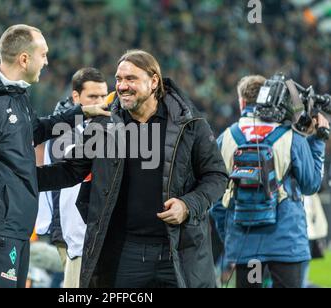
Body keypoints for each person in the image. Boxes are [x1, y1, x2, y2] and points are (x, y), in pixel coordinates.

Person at [0, 24, 109, 288]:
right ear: (24, 58)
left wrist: (82, 112)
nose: (47, 61)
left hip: (16, 230)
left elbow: (33, 130)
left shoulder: (17, 97)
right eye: (43, 54)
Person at [38, 50, 228, 288]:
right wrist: (23, 177)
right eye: (118, 79)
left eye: (131, 79)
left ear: (154, 81)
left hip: (177, 252)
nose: (122, 86)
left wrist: (188, 205)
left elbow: (217, 176)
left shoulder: (189, 124)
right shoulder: (104, 124)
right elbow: (71, 171)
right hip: (124, 254)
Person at [210, 75, 328, 288]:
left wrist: (230, 236)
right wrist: (318, 141)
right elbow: (311, 185)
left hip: (246, 246)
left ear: (242, 102)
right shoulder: (291, 137)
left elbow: (216, 202)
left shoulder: (225, 138)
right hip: (287, 246)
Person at [36, 67, 108, 288]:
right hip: (71, 229)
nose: (100, 102)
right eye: (93, 96)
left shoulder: (101, 123)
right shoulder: (62, 129)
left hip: (91, 227)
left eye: (104, 96)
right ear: (76, 97)